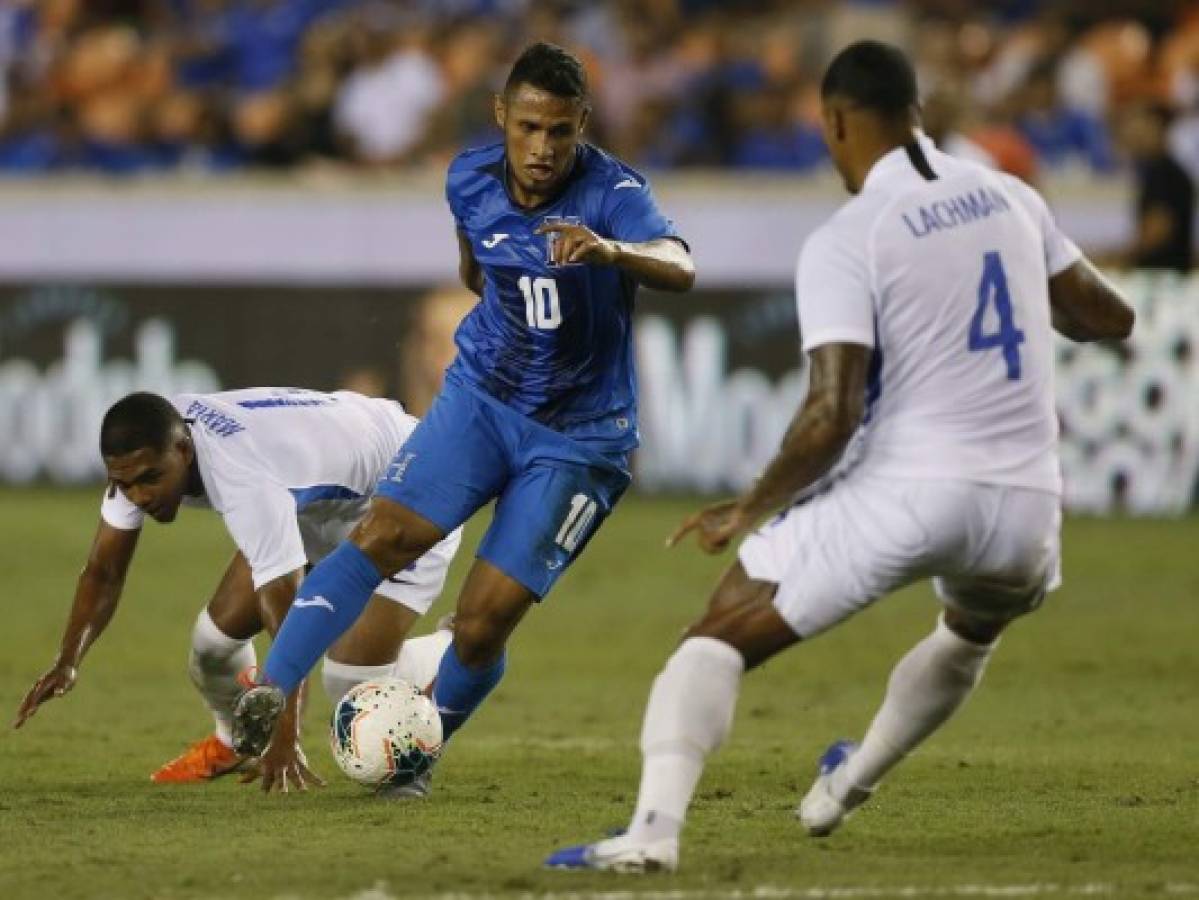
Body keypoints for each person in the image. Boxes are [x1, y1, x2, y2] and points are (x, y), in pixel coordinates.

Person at [547, 40, 1135, 873]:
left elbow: (830, 414)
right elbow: (1105, 318)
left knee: (712, 639)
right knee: (970, 633)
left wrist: (747, 508)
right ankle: (844, 787)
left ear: (833, 124)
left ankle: (651, 835)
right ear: (916, 115)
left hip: (914, 489)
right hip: (1028, 507)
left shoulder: (849, 236)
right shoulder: (1008, 196)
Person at [230, 42, 695, 791]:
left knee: (481, 625)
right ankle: (269, 689)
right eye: (529, 129)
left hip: (579, 437)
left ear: (581, 126)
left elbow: (680, 262)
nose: (542, 149)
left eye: (560, 133)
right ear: (502, 116)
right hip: (483, 397)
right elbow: (473, 263)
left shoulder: (613, 193)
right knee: (381, 534)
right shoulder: (468, 177)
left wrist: (613, 252)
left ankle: (416, 749)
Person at [13, 388, 461, 794]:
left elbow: (290, 616)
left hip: (404, 485)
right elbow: (103, 571)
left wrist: (286, 739)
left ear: (184, 451)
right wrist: (67, 661)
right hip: (314, 498)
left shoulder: (241, 479)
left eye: (150, 479)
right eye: (123, 484)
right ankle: (235, 744)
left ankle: (460, 642)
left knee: (348, 681)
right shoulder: (147, 446)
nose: (139, 496)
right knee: (213, 645)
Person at [1123, 102, 1195, 273]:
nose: (1132, 133)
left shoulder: (1166, 174)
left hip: (1163, 279)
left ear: (1156, 127)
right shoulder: (1154, 170)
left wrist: (1118, 259)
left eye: (1138, 125)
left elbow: (1156, 233)